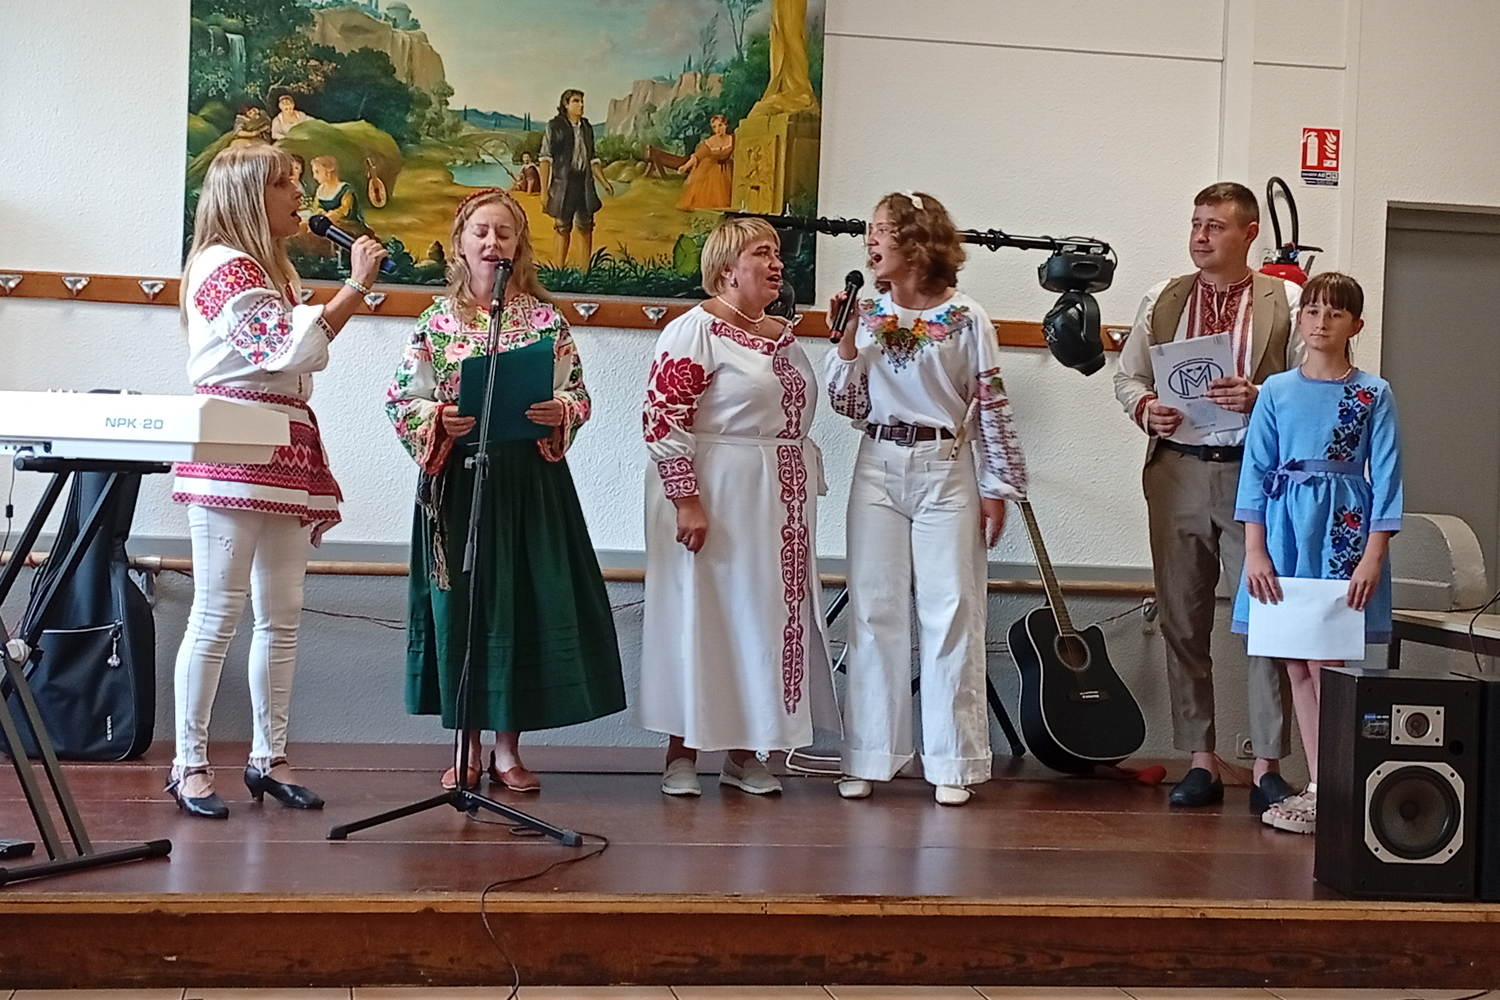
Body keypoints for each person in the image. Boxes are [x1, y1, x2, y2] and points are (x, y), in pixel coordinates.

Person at [169, 143, 387, 819]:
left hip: (282, 444)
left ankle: (270, 757)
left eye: (296, 180)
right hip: (233, 443)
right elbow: (279, 350)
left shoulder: (271, 273)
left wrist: (336, 300)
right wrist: (354, 289)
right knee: (216, 613)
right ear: (246, 197)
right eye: (286, 183)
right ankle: (189, 763)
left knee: (281, 616)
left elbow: (292, 355)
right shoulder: (223, 267)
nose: (301, 194)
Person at [385, 187, 626, 792]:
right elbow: (400, 399)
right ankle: (464, 743)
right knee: (465, 604)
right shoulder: (435, 323)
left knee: (517, 604)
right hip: (459, 483)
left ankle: (507, 751)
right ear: (461, 243)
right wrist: (437, 417)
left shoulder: (547, 320)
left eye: (505, 234)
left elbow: (580, 394)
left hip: (528, 481)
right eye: (481, 232)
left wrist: (559, 409)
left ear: (519, 246)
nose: (493, 243)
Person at [826, 192, 1028, 807]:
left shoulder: (969, 317)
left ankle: (953, 761)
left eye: (881, 231)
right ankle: (868, 756)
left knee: (952, 611)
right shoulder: (865, 310)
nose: (870, 242)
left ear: (916, 242)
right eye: (869, 231)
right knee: (873, 611)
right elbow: (846, 406)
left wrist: (998, 488)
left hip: (947, 467)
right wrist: (844, 346)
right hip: (878, 466)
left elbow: (990, 404)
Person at [1112, 182, 1303, 811]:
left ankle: (1269, 763)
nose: (1200, 235)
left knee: (1265, 617)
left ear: (1250, 234)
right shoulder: (1161, 297)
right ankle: (1200, 758)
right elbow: (1128, 375)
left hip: (1258, 473)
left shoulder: (1290, 300)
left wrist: (1262, 398)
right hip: (1178, 469)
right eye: (1195, 223)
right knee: (1181, 617)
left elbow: (1313, 387)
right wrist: (1145, 408)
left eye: (1215, 225)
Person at [639, 217, 837, 797]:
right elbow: (662, 419)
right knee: (700, 613)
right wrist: (686, 500)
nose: (777, 263)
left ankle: (748, 751)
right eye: (762, 253)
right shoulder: (692, 331)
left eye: (778, 253)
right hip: (713, 491)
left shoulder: (782, 334)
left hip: (776, 497)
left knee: (766, 618)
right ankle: (681, 751)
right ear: (727, 269)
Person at [1235, 272, 1402, 836]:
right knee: (1294, 662)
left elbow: (1388, 476)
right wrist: (1255, 550)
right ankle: (1317, 785)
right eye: (1311, 311)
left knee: (1329, 662)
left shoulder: (1371, 393)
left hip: (1344, 532)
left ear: (1355, 324)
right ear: (1299, 318)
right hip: (1284, 534)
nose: (1320, 322)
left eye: (1335, 313)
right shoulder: (1277, 391)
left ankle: (1337, 785)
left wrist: (1374, 555)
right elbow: (1256, 471)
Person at [539, 89, 614, 269]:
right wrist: (543, 192)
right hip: (564, 185)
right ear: (566, 104)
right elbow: (545, 159)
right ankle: (559, 270)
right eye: (576, 101)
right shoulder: (555, 126)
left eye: (582, 101)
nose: (581, 105)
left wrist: (604, 182)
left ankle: (585, 271)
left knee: (586, 226)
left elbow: (592, 159)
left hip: (584, 184)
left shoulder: (587, 127)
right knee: (562, 227)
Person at [676, 114, 735, 211]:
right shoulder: (710, 142)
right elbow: (697, 156)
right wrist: (685, 166)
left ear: (726, 125)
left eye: (720, 125)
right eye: (715, 127)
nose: (718, 129)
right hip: (712, 168)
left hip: (727, 169)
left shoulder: (732, 139)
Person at [311, 156, 366, 232]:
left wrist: (333, 214)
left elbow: (345, 210)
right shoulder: (320, 189)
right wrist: (321, 212)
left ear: (328, 172)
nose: (314, 176)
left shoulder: (345, 189)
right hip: (326, 223)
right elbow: (316, 206)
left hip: (346, 224)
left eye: (317, 172)